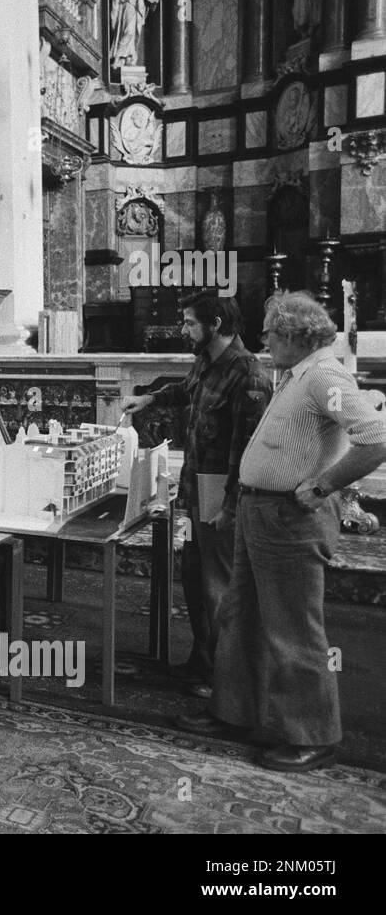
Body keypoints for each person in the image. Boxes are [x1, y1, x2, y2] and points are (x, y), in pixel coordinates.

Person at [175, 292, 386, 772]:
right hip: (260, 512)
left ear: (293, 335)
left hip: (289, 518)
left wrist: (324, 485)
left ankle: (312, 736)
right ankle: (233, 711)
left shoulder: (324, 376)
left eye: (271, 332)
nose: (265, 340)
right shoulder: (298, 374)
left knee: (293, 628)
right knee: (239, 615)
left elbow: (376, 438)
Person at [122, 293, 271, 698]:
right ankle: (201, 662)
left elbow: (246, 452)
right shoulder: (208, 361)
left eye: (189, 323)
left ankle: (224, 682)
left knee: (218, 589)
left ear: (216, 323)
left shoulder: (248, 375)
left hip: (222, 497)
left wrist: (229, 506)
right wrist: (150, 398)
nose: (183, 330)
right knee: (194, 580)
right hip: (197, 490)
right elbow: (187, 389)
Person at [110, 0, 160, 70]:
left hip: (138, 7)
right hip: (128, 5)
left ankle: (129, 57)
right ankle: (117, 57)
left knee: (134, 33)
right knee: (129, 32)